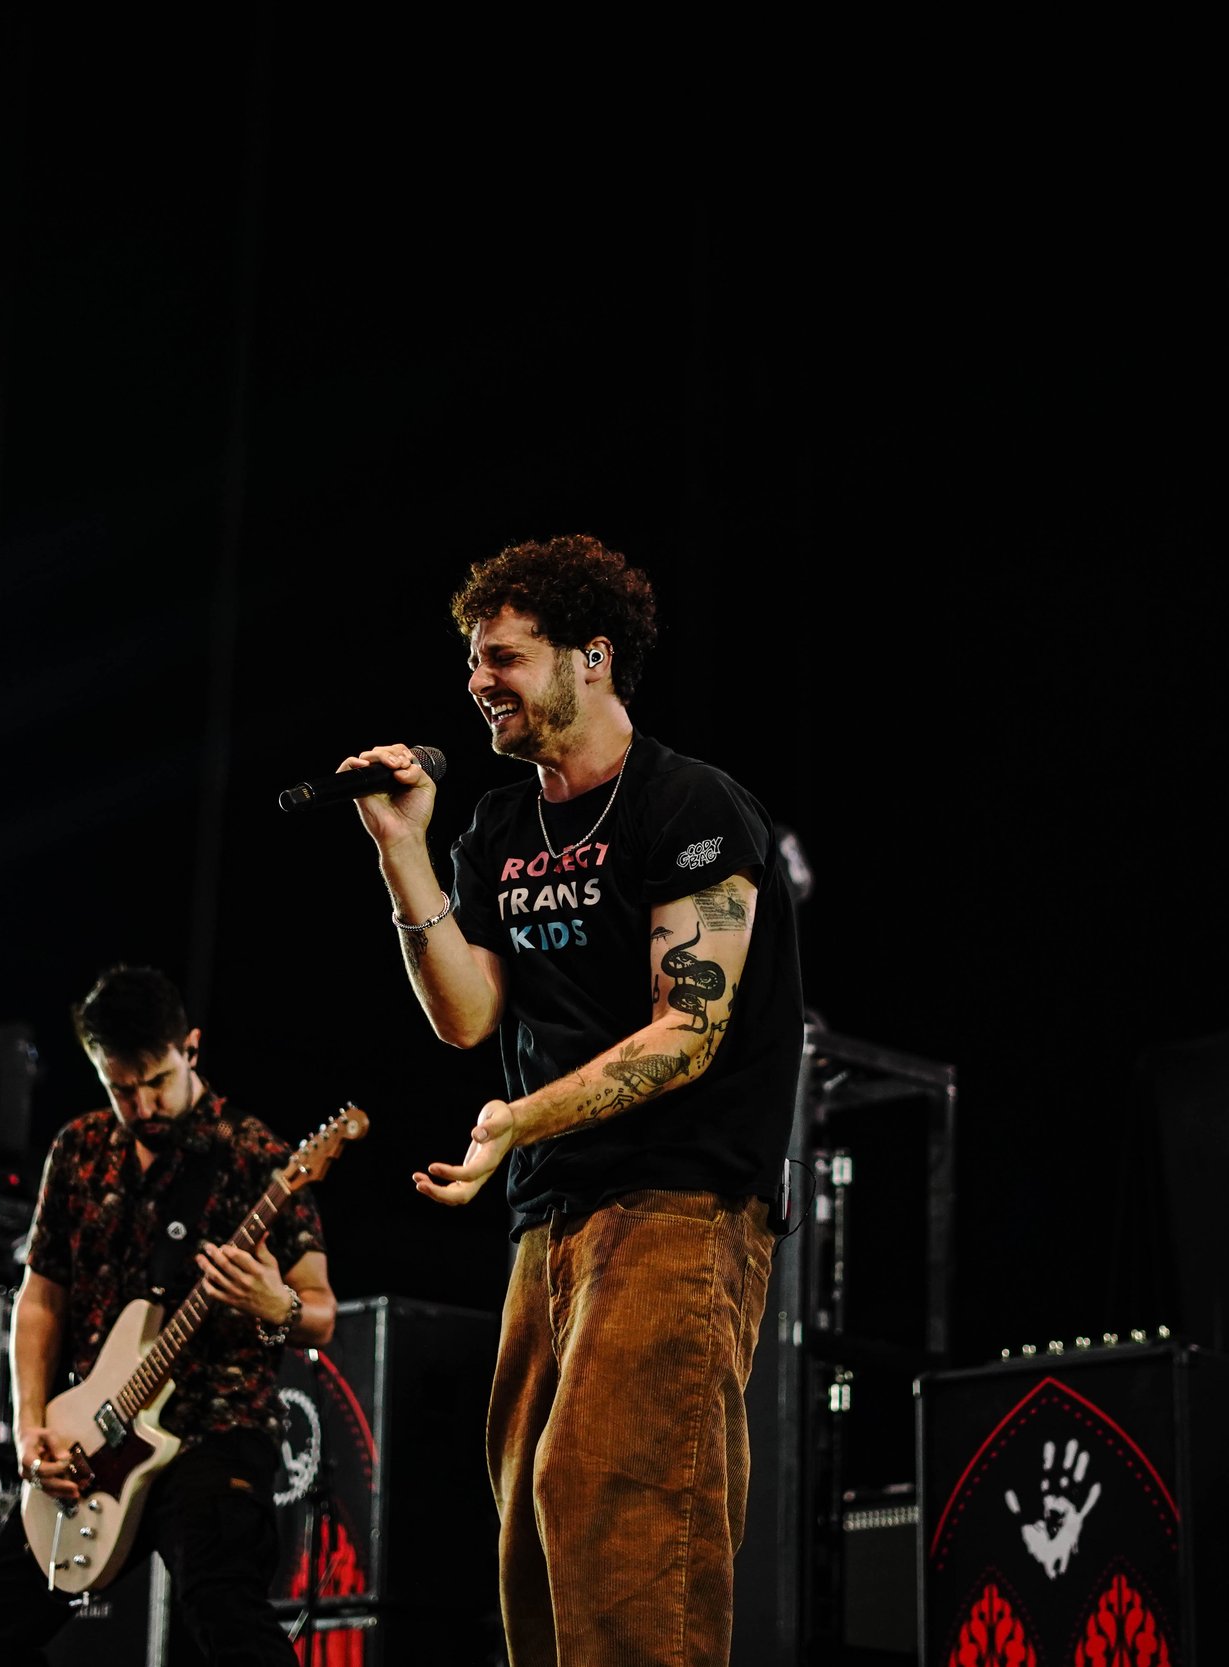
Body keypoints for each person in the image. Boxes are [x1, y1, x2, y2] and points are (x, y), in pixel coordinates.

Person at [340, 534, 803, 1666]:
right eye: (470, 661)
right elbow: (465, 1015)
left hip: (678, 1204)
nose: (476, 683)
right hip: (550, 1219)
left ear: (590, 659)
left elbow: (687, 1034)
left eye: (502, 657)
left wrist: (515, 1121)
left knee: (613, 1507)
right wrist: (404, 850)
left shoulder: (688, 805)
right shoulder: (499, 827)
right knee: (533, 1547)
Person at [0, 965, 335, 1667]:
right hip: (93, 1439)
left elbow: (321, 1312)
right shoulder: (78, 1149)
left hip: (213, 1433)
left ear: (190, 1047)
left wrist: (272, 1303)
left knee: (223, 1619)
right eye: (120, 1087)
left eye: (156, 1079)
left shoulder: (258, 1157)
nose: (142, 1102)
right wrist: (33, 1429)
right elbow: (40, 1301)